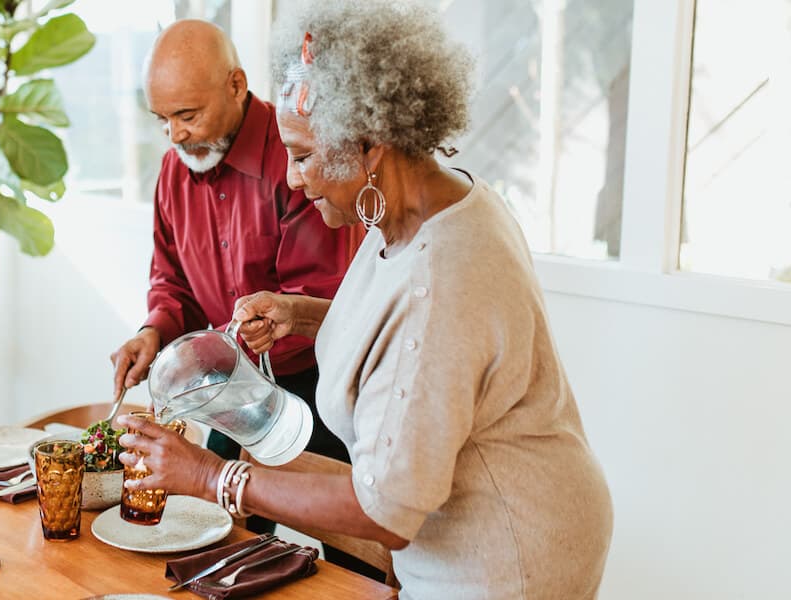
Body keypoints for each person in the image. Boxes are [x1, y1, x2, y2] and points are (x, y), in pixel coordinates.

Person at [116, 2, 614, 598]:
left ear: (370, 144)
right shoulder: (419, 207)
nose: (294, 179)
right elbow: (401, 329)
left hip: (507, 556)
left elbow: (385, 513)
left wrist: (209, 474)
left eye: (302, 157)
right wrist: (299, 311)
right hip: (471, 527)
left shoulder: (445, 270)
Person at [107, 19, 376, 575]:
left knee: (356, 560)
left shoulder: (301, 157)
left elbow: (323, 293)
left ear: (236, 85)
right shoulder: (172, 172)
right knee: (219, 547)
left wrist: (274, 320)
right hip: (227, 390)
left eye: (188, 115)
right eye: (162, 120)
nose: (175, 136)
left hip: (319, 387)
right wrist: (152, 331)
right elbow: (171, 279)